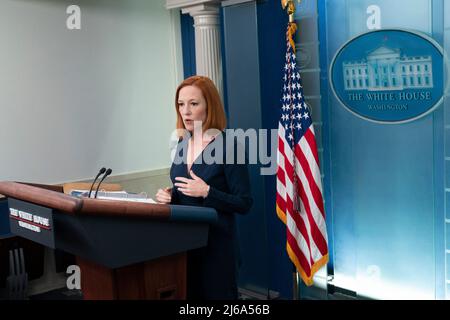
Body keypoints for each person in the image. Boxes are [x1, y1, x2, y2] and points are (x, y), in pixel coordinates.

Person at [155, 75, 253, 300]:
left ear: (210, 106)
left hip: (217, 249)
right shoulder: (181, 144)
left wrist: (209, 192)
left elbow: (245, 203)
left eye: (193, 103)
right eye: (181, 104)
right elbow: (183, 189)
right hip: (184, 246)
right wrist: (170, 195)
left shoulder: (229, 146)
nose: (185, 111)